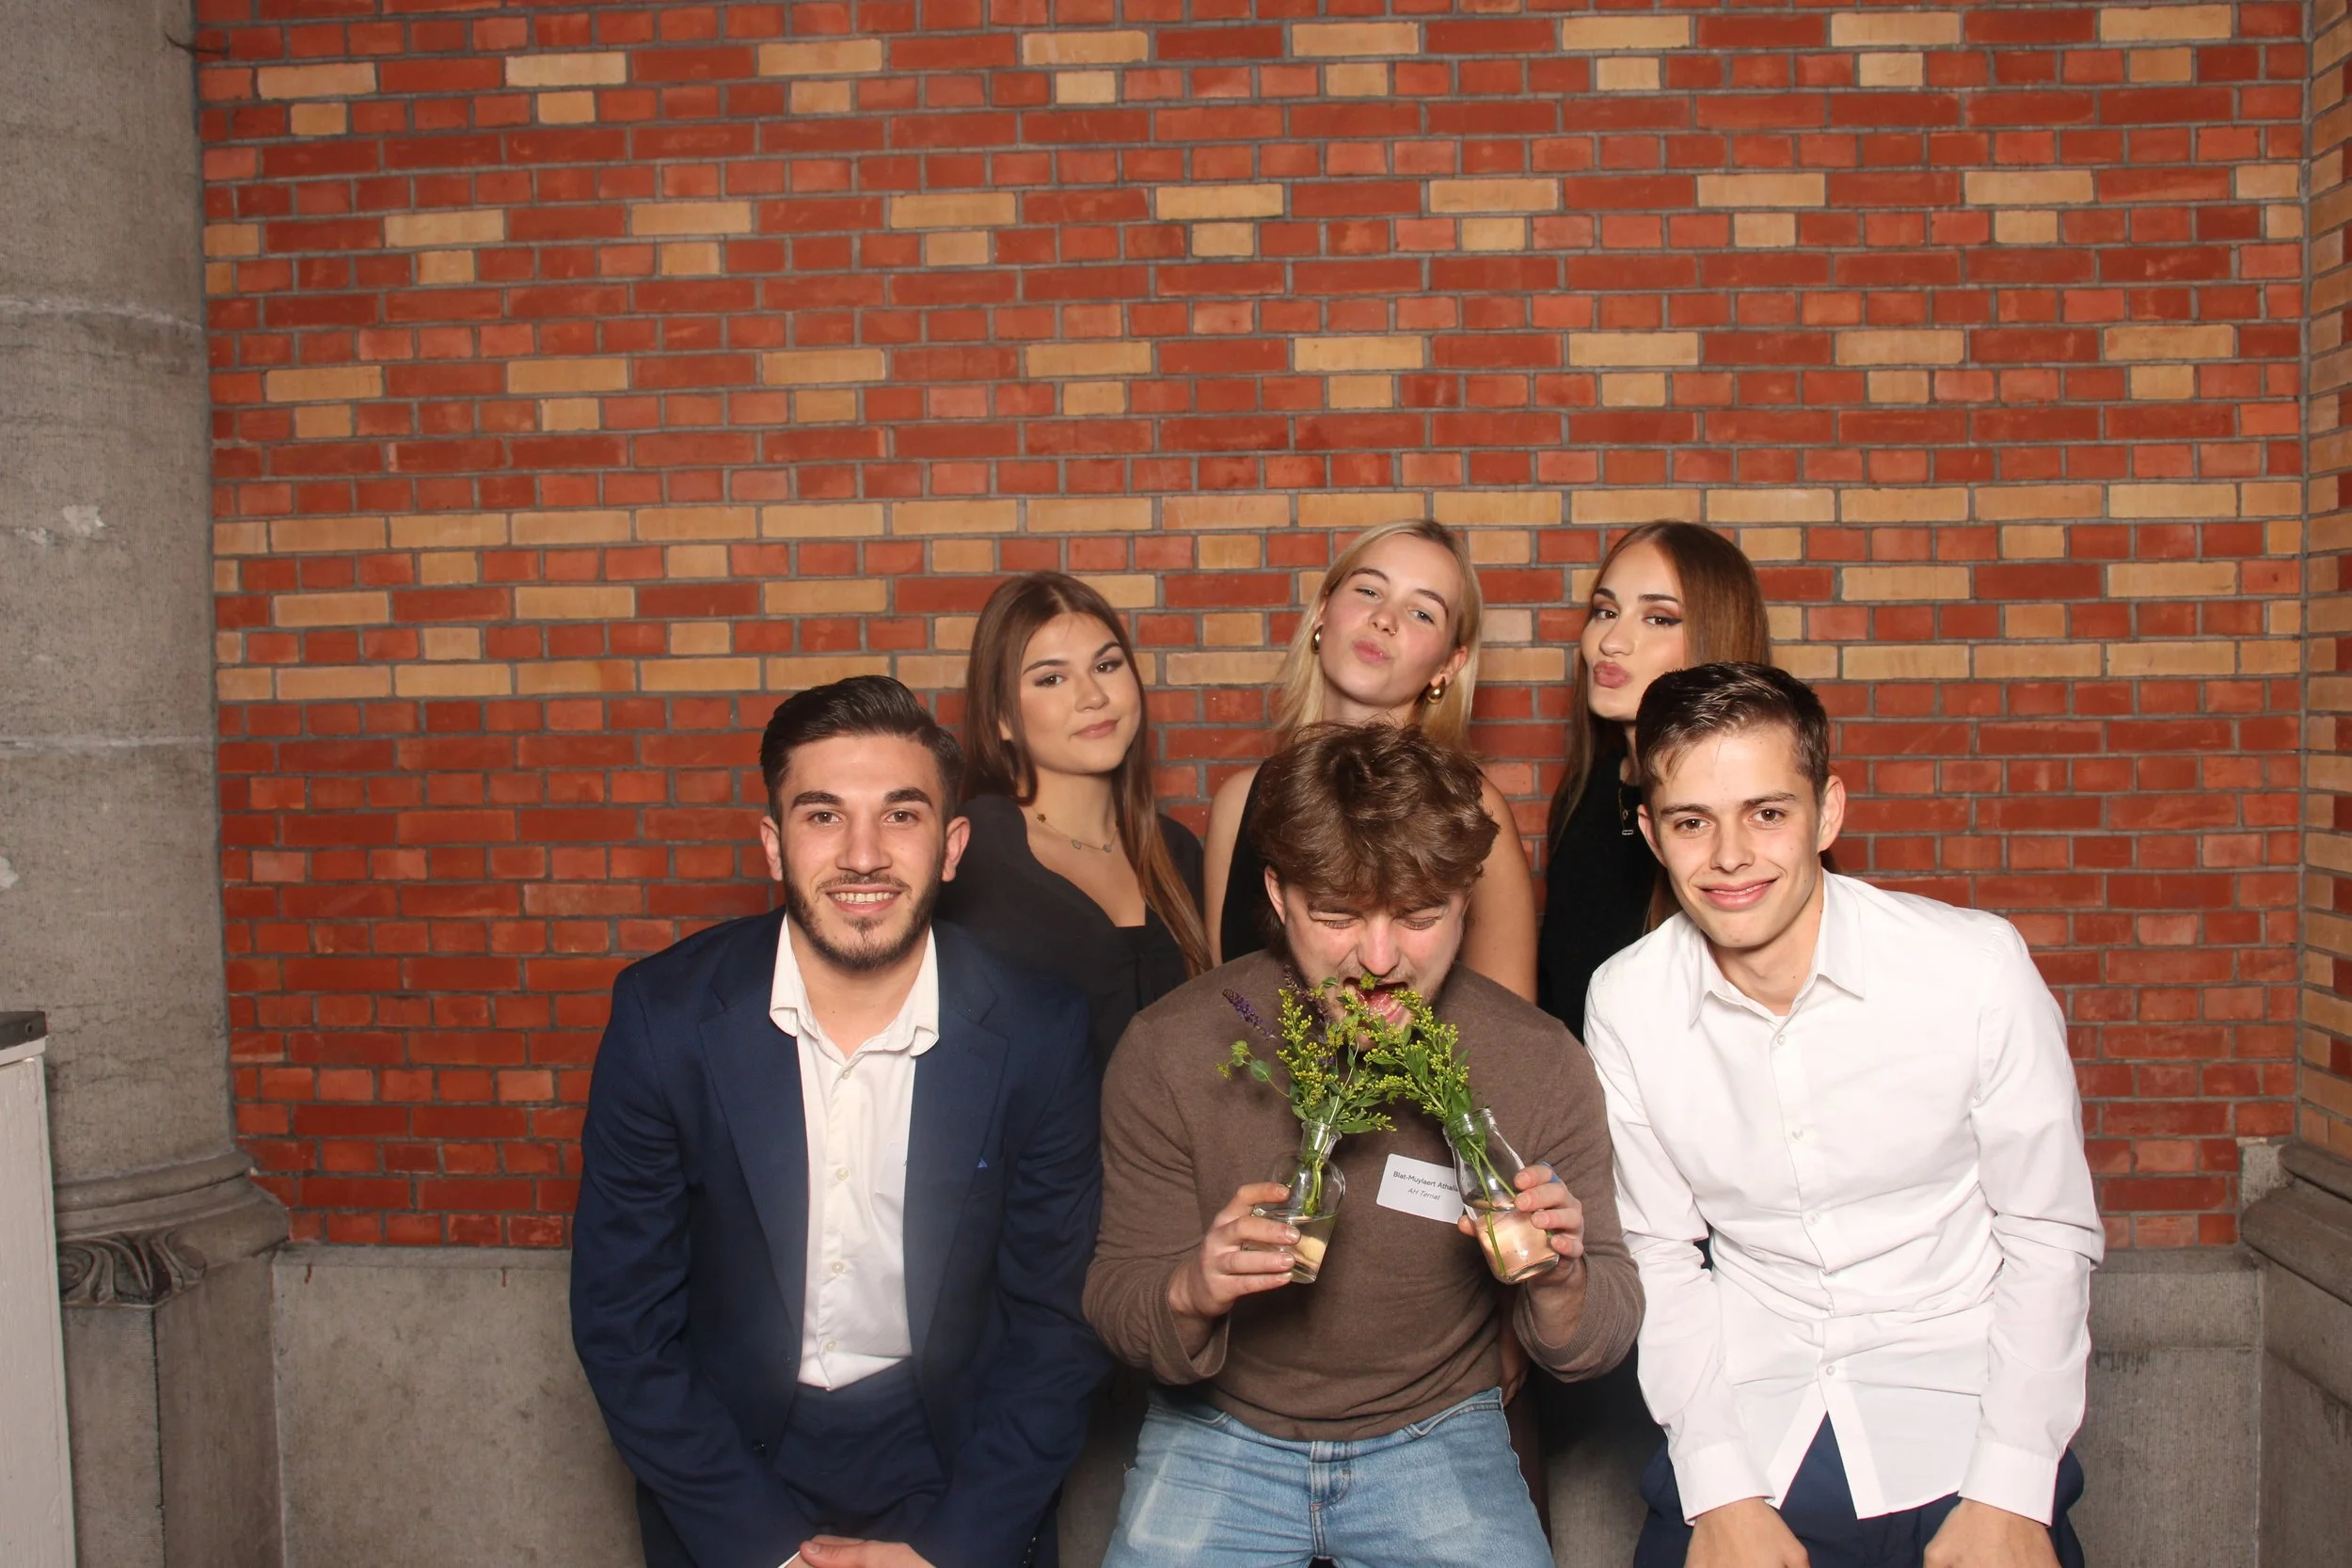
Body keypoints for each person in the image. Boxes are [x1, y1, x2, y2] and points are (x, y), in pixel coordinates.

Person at [571, 675, 1107, 1568]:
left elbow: (1058, 1327)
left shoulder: (1037, 1030)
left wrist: (948, 1550)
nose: (864, 855)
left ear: (951, 846)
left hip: (959, 1462)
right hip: (726, 1465)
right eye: (824, 816)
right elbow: (623, 1323)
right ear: (774, 845)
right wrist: (764, 1549)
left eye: (901, 815)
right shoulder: (664, 1019)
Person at [1086, 721, 1642, 1568]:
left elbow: (1597, 1341)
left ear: (1466, 898)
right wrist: (1193, 1288)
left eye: (1419, 916)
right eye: (1337, 915)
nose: (1378, 959)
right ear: (1278, 895)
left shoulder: (1536, 1061)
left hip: (1435, 1429)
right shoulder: (1171, 1048)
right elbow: (1116, 1302)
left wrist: (1561, 1277)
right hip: (1221, 1429)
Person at [1584, 663, 2101, 1568]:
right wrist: (1722, 1490)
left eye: (1766, 812)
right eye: (1693, 821)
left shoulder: (1974, 969)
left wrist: (2009, 1492)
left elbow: (2047, 1233)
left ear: (1827, 813)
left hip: (1964, 1421)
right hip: (1753, 1421)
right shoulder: (1627, 999)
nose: (1731, 854)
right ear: (1653, 834)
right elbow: (1658, 1253)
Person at [1202, 519, 1537, 998]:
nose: (1385, 619)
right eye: (1368, 591)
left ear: (1449, 664)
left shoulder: (1475, 807)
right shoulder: (1240, 802)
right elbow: (1222, 1010)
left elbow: (1510, 1028)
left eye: (1422, 613)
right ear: (1323, 611)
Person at [940, 572, 1208, 1064]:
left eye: (1106, 665)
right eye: (1052, 678)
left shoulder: (1176, 850)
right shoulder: (970, 852)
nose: (1093, 697)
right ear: (1001, 717)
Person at [1536, 521, 1771, 1034]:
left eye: (1659, 619)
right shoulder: (1587, 790)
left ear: (1714, 637)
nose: (1612, 642)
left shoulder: (1760, 820)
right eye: (1605, 611)